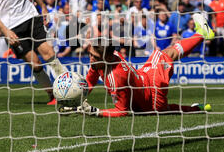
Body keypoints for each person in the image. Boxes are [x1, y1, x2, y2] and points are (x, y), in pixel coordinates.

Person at [60, 13, 214, 117]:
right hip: (148, 90)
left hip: (151, 88)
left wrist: (96, 111)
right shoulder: (105, 57)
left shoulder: (116, 77)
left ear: (106, 58)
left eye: (94, 56)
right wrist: (76, 101)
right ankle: (197, 108)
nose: (91, 59)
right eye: (90, 54)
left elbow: (123, 111)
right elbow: (90, 80)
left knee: (165, 54)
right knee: (165, 56)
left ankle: (202, 34)